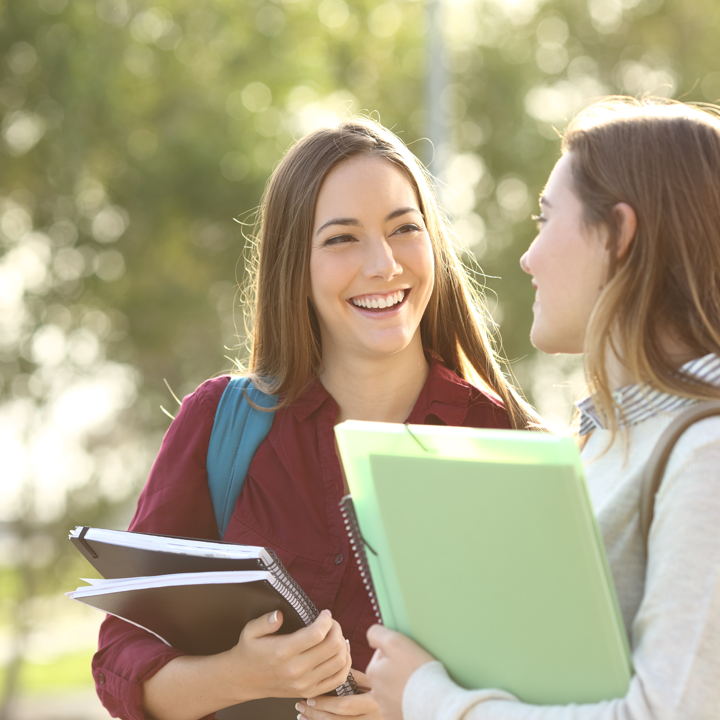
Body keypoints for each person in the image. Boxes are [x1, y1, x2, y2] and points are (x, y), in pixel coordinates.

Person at [91, 117, 540, 720]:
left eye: (404, 228)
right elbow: (121, 659)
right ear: (293, 266)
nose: (383, 265)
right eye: (341, 239)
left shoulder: (511, 443)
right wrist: (237, 677)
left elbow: (559, 686)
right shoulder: (220, 424)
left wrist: (419, 709)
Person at [356, 97, 720, 720]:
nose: (528, 257)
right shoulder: (605, 440)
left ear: (620, 236)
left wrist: (430, 700)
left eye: (546, 219)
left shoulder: (705, 452)